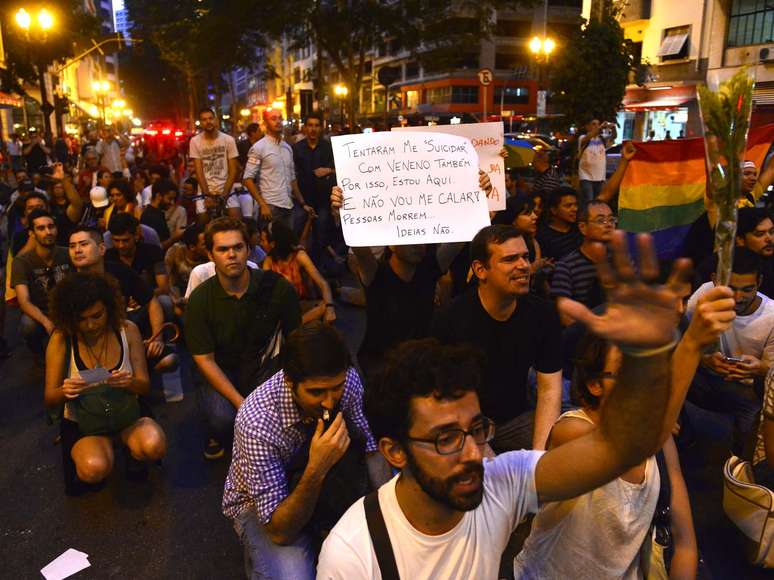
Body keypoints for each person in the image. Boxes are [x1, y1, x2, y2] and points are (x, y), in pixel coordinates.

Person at [316, 232, 720, 579]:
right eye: (445, 439)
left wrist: (651, 358)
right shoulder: (354, 554)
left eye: (477, 430)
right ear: (395, 452)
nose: (475, 454)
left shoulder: (498, 485)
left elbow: (624, 447)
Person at [513, 329, 702, 578]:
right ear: (594, 385)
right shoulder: (570, 430)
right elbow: (618, 450)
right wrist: (692, 346)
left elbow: (685, 544)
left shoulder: (661, 442)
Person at [224, 323, 387, 579]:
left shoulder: (348, 380)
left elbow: (370, 447)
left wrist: (388, 507)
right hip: (265, 505)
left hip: (325, 477)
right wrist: (317, 467)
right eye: (316, 392)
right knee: (293, 575)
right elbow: (280, 530)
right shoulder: (256, 421)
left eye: (336, 388)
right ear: (289, 380)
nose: (329, 401)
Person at [432, 225, 563, 451]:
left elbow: (550, 389)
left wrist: (539, 460)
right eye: (511, 259)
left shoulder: (543, 313)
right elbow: (442, 397)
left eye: (525, 257)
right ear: (481, 270)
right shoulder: (451, 319)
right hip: (462, 425)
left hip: (517, 420)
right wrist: (479, 447)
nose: (523, 266)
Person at [185, 217, 301, 460]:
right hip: (222, 369)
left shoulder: (278, 288)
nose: (231, 255)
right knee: (223, 419)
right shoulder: (200, 300)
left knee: (280, 417)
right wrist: (242, 403)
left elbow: (296, 342)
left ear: (249, 250)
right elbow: (204, 360)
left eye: (238, 247)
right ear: (210, 254)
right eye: (223, 249)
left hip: (263, 366)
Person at [44, 272, 166, 494]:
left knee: (154, 444)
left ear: (109, 308)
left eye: (96, 316)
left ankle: (132, 452)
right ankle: (102, 451)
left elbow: (144, 386)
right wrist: (65, 390)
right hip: (86, 427)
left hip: (128, 417)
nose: (90, 325)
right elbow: (49, 398)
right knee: (94, 469)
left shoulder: (128, 330)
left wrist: (130, 383)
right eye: (81, 319)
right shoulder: (61, 339)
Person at [687, 248, 774, 455]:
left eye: (747, 289)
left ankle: (742, 470)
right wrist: (703, 358)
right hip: (703, 376)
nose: (738, 297)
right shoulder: (704, 294)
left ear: (759, 282)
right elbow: (683, 337)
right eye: (730, 288)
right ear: (716, 280)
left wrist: (760, 369)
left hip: (747, 388)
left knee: (752, 412)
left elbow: (772, 376)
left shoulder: (771, 317)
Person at [68, 226, 167, 366]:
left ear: (102, 249)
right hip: (86, 341)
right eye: (72, 246)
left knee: (168, 360)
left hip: (122, 330)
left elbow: (152, 301)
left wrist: (157, 338)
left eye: (84, 244)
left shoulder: (120, 271)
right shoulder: (67, 283)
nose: (77, 250)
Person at [11, 209, 71, 354]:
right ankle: (39, 354)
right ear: (31, 233)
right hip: (41, 311)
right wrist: (46, 322)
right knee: (28, 325)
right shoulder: (22, 261)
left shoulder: (67, 253)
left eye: (51, 226)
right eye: (41, 228)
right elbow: (24, 300)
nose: (48, 232)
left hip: (67, 308)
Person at [244, 109, 316, 228]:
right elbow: (247, 179)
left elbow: (292, 179)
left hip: (288, 206)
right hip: (270, 206)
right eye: (273, 118)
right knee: (270, 244)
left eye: (280, 118)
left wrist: (303, 203)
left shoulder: (287, 147)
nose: (278, 121)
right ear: (266, 122)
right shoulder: (259, 147)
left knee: (288, 245)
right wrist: (262, 204)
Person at [551, 199, 615, 322]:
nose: (609, 225)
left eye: (612, 220)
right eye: (601, 220)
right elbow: (566, 317)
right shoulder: (566, 266)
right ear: (583, 227)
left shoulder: (621, 260)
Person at [262, 220, 336, 324]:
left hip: (302, 305)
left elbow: (322, 283)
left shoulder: (299, 255)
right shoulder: (268, 262)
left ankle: (295, 326)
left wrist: (330, 308)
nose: (261, 244)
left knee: (326, 306)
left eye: (263, 240)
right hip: (283, 310)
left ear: (273, 244)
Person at [293, 112, 336, 260]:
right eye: (310, 125)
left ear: (321, 128)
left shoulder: (328, 147)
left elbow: (341, 168)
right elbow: (292, 174)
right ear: (304, 128)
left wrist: (328, 170)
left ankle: (319, 267)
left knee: (321, 236)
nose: (313, 129)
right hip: (302, 201)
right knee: (299, 235)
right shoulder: (297, 148)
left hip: (323, 201)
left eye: (316, 126)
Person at [106, 213, 170, 296]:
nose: (121, 245)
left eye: (125, 240)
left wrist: (141, 296)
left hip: (151, 299)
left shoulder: (154, 252)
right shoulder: (108, 258)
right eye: (116, 241)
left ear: (136, 236)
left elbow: (163, 288)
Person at [189, 108, 239, 213]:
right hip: (205, 189)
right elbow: (199, 172)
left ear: (216, 120)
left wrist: (224, 195)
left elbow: (233, 170)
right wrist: (207, 195)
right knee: (203, 221)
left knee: (235, 218)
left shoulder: (228, 140)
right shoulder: (194, 141)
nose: (208, 122)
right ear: (200, 123)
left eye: (211, 118)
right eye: (204, 119)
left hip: (227, 188)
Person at [164, 224, 208, 312]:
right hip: (175, 290)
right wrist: (175, 300)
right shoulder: (175, 251)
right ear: (192, 247)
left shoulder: (210, 258)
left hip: (197, 293)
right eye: (204, 244)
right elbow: (165, 282)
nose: (209, 246)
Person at [536, 186, 582, 262]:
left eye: (576, 205)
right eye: (568, 206)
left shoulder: (580, 229)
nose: (575, 209)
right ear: (554, 210)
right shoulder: (542, 236)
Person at [578, 119, 615, 200]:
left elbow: (613, 137)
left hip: (600, 177)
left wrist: (613, 128)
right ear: (587, 127)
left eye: (598, 124)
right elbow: (587, 138)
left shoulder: (602, 139)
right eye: (593, 124)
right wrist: (601, 127)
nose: (596, 126)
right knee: (589, 200)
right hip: (586, 176)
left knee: (598, 200)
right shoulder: (582, 138)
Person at [140, 179, 174, 246]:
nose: (172, 203)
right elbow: (156, 247)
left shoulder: (157, 213)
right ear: (158, 196)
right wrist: (175, 237)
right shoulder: (150, 216)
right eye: (170, 198)